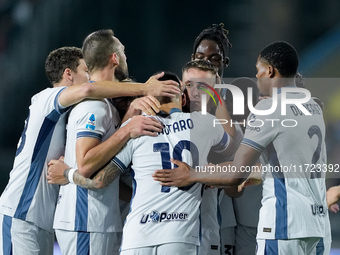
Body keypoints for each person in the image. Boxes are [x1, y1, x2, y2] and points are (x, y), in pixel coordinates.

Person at [153, 41, 329, 255]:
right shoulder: (313, 106)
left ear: (270, 71)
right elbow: (286, 165)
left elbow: (236, 173)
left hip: (284, 223)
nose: (257, 78)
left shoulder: (268, 108)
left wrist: (191, 174)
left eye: (258, 71)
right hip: (318, 226)